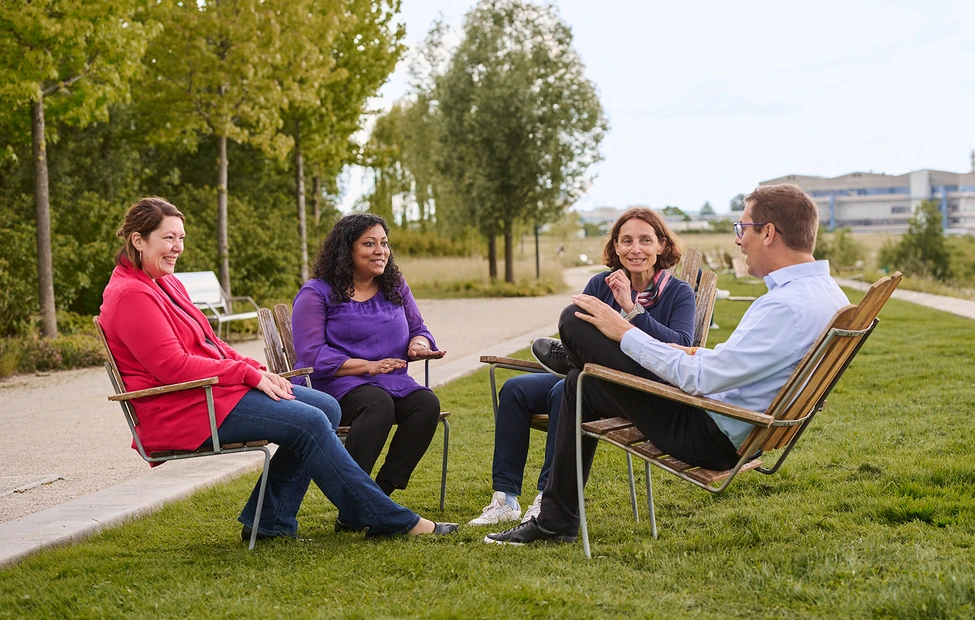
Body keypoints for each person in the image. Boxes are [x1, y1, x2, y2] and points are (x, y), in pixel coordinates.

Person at [486, 183, 849, 544]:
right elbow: (725, 364)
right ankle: (555, 521)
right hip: (735, 423)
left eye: (742, 228)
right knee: (582, 384)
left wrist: (624, 331)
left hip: (706, 429)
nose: (738, 240)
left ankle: (554, 521)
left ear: (768, 233)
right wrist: (681, 350)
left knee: (572, 321)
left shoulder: (783, 305)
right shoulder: (826, 293)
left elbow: (702, 379)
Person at [99, 197, 456, 541]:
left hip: (211, 392)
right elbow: (172, 367)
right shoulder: (132, 294)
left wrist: (255, 368)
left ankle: (267, 522)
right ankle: (386, 517)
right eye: (168, 238)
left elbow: (212, 344)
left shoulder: (166, 283)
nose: (177, 247)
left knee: (325, 406)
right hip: (182, 408)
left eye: (181, 238)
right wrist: (247, 375)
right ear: (138, 240)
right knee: (311, 421)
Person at [468, 208, 696, 526]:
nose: (636, 249)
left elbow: (683, 346)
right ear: (615, 247)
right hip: (587, 375)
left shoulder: (677, 293)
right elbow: (576, 331)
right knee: (516, 390)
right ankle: (505, 499)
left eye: (645, 240)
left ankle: (547, 498)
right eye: (626, 240)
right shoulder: (601, 284)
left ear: (660, 245)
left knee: (568, 387)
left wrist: (631, 309)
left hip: (634, 387)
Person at [291, 213, 446, 528]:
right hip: (336, 385)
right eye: (369, 243)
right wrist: (369, 367)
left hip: (391, 380)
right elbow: (312, 354)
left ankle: (376, 497)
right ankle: (354, 503)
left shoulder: (394, 286)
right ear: (346, 250)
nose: (381, 251)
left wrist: (418, 344)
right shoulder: (316, 292)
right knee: (377, 404)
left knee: (425, 404)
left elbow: (419, 328)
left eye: (385, 243)